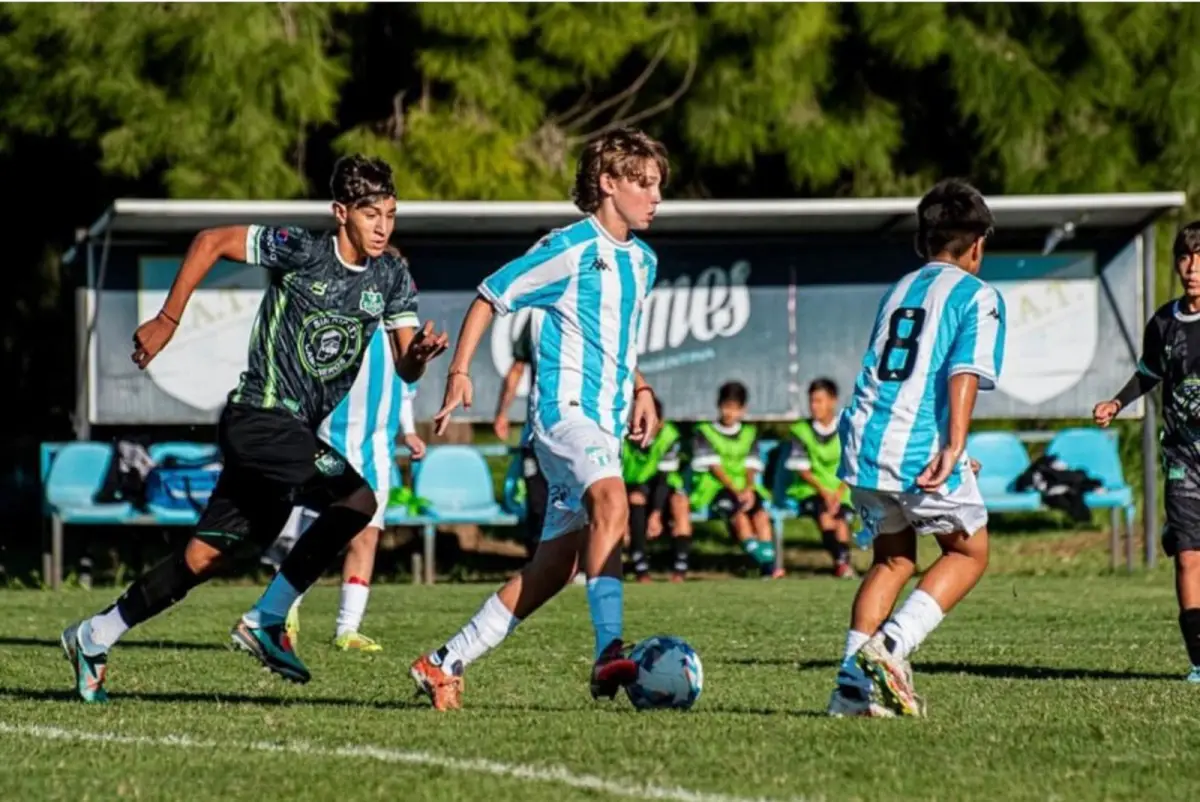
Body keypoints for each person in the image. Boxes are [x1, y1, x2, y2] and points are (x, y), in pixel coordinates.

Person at [60, 156, 448, 702]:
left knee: (203, 559)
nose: (383, 226)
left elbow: (406, 363)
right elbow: (210, 241)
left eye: (390, 214)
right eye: (370, 214)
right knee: (359, 502)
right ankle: (266, 620)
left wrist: (423, 358)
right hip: (259, 417)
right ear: (341, 213)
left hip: (288, 432)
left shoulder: (391, 277)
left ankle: (93, 636)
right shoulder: (302, 250)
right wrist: (168, 319)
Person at [409, 127, 667, 710]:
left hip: (603, 422)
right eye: (644, 184)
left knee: (554, 567)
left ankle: (444, 662)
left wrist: (642, 387)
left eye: (658, 186)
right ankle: (609, 652)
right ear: (607, 183)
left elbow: (619, 342)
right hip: (563, 416)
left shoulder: (643, 261)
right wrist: (460, 371)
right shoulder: (569, 248)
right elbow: (489, 295)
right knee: (613, 501)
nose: (656, 197)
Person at [828, 178, 1006, 718]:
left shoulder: (900, 288)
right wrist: (954, 444)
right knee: (968, 552)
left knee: (893, 559)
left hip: (862, 443)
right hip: (916, 448)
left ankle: (849, 693)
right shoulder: (978, 295)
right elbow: (963, 372)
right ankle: (891, 647)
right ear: (976, 242)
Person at [1093, 220, 1200, 684]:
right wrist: (1117, 402)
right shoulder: (1164, 322)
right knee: (1189, 557)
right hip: (1183, 456)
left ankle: (1178, 530)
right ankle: (1199, 661)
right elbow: (1148, 373)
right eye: (1184, 258)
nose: (1192, 268)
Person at [281, 376, 426, 653]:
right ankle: (285, 609)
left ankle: (347, 630)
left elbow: (405, 386)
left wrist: (408, 431)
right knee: (319, 536)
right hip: (331, 443)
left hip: (376, 453)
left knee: (366, 538)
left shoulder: (396, 335)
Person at [690, 382, 781, 579]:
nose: (729, 412)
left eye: (734, 408)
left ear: (743, 410)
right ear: (718, 406)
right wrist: (736, 490)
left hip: (743, 488)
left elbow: (751, 466)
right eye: (726, 407)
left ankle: (768, 568)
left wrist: (748, 488)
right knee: (739, 516)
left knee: (761, 515)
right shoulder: (704, 432)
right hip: (714, 488)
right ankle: (766, 560)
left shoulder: (749, 433)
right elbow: (715, 468)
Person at [786, 378, 856, 579]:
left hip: (841, 491)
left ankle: (842, 563)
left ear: (833, 401)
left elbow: (853, 464)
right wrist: (825, 492)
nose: (814, 406)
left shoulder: (847, 428)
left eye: (819, 401)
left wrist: (839, 492)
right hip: (811, 490)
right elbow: (803, 470)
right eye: (812, 401)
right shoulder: (801, 431)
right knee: (826, 516)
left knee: (841, 520)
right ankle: (842, 564)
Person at [493, 312, 548, 560]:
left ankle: (574, 565)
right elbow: (517, 369)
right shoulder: (538, 318)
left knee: (573, 502)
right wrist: (502, 413)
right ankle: (536, 565)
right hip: (537, 430)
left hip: (576, 429)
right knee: (537, 502)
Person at [622, 396, 692, 583]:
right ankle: (641, 569)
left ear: (659, 423)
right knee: (635, 498)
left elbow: (663, 480)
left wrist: (656, 514)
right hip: (632, 489)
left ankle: (680, 569)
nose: (641, 426)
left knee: (680, 502)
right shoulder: (622, 437)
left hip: (662, 488)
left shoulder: (669, 436)